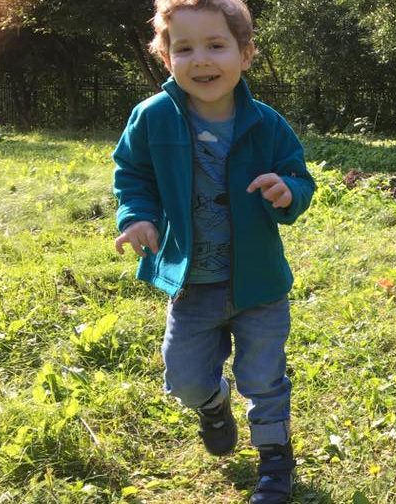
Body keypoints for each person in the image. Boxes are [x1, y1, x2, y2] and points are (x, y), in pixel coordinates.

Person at [111, 1, 315, 502]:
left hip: (258, 285)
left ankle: (274, 463)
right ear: (166, 58)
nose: (201, 59)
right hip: (193, 283)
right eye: (185, 48)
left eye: (216, 45)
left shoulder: (267, 125)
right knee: (182, 380)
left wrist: (287, 191)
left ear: (245, 55)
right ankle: (211, 402)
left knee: (263, 377)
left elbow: (299, 177)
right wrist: (135, 216)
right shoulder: (152, 118)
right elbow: (131, 175)